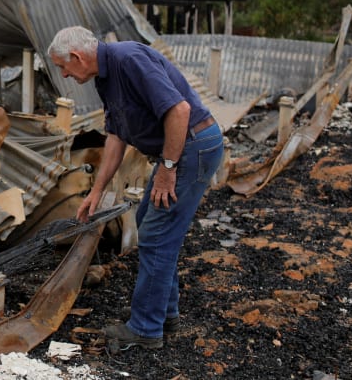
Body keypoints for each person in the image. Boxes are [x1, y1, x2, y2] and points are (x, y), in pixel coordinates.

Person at [47, 26, 224, 352]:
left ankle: (146, 328)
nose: (65, 74)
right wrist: (97, 190)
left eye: (63, 67)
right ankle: (162, 313)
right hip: (181, 149)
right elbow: (116, 136)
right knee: (149, 220)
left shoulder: (128, 60)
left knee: (158, 233)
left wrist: (167, 170)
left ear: (76, 57)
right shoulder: (105, 76)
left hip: (193, 147)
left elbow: (179, 111)